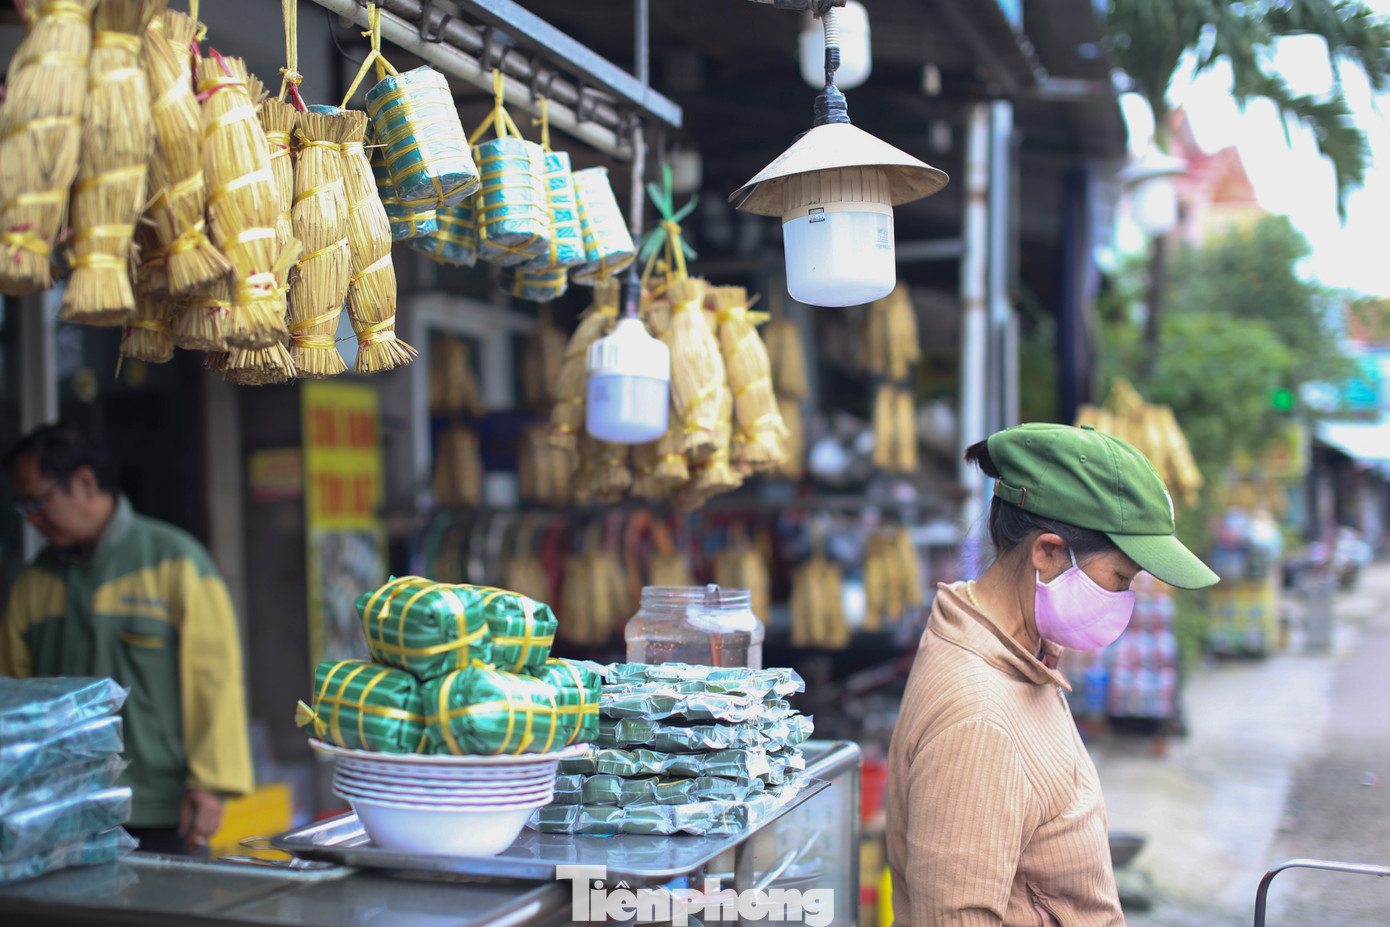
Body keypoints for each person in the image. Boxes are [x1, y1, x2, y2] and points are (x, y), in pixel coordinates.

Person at [885, 422, 1218, 926]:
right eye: (1120, 578)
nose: (1124, 598)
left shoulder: (1018, 659)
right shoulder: (979, 721)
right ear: (1047, 552)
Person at [0, 424, 253, 855]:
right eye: (25, 507)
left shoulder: (176, 561)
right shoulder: (34, 582)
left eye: (39, 502)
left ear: (83, 482)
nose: (34, 518)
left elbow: (215, 681)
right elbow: (12, 697)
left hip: (162, 807)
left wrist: (211, 783)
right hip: (60, 811)